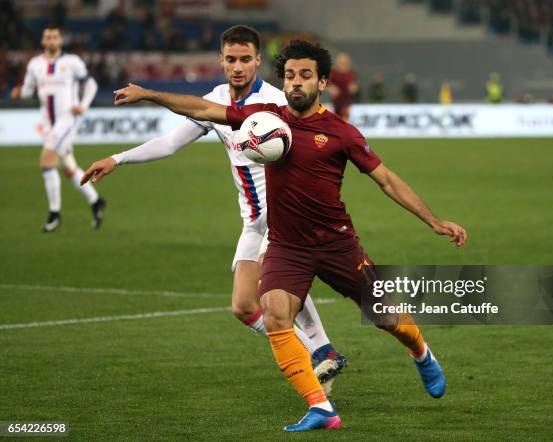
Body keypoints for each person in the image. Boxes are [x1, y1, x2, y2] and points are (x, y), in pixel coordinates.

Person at [84, 39, 467, 432]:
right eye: (289, 76)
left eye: (305, 76)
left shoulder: (341, 133)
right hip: (286, 245)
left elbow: (386, 180)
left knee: (386, 318)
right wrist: (148, 94)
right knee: (276, 314)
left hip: (336, 243)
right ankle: (321, 407)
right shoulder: (265, 118)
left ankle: (421, 352)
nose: (295, 83)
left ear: (322, 83)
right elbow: (202, 109)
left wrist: (433, 220)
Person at [78, 26, 346, 391]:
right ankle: (313, 356)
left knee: (274, 275)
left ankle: (323, 349)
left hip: (283, 212)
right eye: (231, 60)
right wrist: (117, 158)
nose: (238, 67)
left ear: (257, 61)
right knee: (243, 307)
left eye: (245, 59)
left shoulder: (276, 103)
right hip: (253, 220)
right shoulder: (217, 100)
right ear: (221, 61)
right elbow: (171, 143)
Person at [10, 24, 105, 232]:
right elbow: (28, 91)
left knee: (46, 162)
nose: (52, 40)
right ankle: (96, 201)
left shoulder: (72, 62)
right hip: (47, 124)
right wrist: (19, 92)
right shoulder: (35, 64)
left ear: (61, 41)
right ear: (43, 41)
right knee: (68, 167)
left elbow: (91, 85)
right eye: (48, 37)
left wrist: (84, 105)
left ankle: (54, 214)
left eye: (55, 37)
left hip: (67, 120)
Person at [328, 52, 358, 120]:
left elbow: (354, 85)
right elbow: (327, 84)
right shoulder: (333, 72)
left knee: (345, 118)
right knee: (336, 118)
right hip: (336, 100)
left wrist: (354, 88)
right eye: (342, 62)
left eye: (345, 61)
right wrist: (331, 88)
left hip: (347, 100)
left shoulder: (351, 72)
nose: (343, 63)